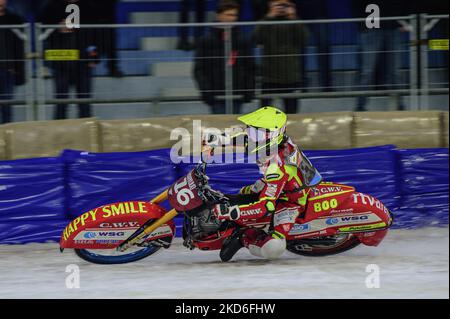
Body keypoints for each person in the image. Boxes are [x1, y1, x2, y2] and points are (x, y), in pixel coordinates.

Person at [211, 106, 322, 261]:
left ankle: (244, 236)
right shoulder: (276, 142)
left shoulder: (277, 166)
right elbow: (246, 140)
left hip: (290, 201)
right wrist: (220, 140)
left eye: (257, 133)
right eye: (251, 131)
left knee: (273, 247)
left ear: (272, 135)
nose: (251, 136)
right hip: (282, 184)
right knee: (244, 192)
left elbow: (265, 207)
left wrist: (230, 212)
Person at [38, 0, 99, 119]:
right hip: (60, 63)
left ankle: (87, 134)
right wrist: (57, 28)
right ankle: (59, 134)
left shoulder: (89, 7)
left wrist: (94, 57)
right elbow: (41, 31)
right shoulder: (51, 7)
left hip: (83, 63)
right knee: (61, 104)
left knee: (84, 105)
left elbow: (96, 34)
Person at [194, 0, 255, 114]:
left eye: (234, 15)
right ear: (219, 15)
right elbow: (199, 69)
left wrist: (249, 89)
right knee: (219, 129)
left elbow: (250, 67)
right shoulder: (206, 41)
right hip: (215, 94)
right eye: (229, 14)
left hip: (237, 93)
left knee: (234, 128)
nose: (232, 18)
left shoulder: (243, 40)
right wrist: (206, 91)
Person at [351, 0, 409, 111]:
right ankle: (360, 106)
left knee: (395, 71)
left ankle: (399, 105)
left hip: (392, 28)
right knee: (367, 71)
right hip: (372, 28)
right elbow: (356, 4)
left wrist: (403, 21)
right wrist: (363, 25)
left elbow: (405, 4)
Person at [253, 0, 308, 114]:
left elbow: (304, 39)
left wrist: (293, 17)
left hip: (290, 76)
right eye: (278, 5)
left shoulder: (294, 21)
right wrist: (269, 17)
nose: (281, 8)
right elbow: (255, 39)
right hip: (269, 76)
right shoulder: (266, 21)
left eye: (285, 5)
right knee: (264, 114)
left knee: (292, 115)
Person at [0, 0, 24, 124]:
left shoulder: (14, 19)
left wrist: (16, 66)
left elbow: (19, 46)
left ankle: (6, 137)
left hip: (7, 70)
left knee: (6, 107)